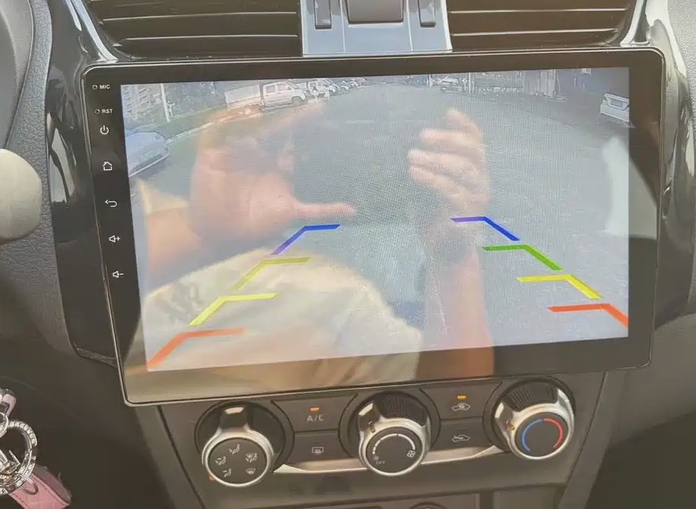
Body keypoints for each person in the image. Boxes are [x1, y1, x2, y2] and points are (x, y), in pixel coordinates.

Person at [127, 100, 494, 390]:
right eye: (316, 144)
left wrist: (453, 254)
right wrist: (202, 230)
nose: (344, 158)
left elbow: (459, 390)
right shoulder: (348, 301)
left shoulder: (349, 304)